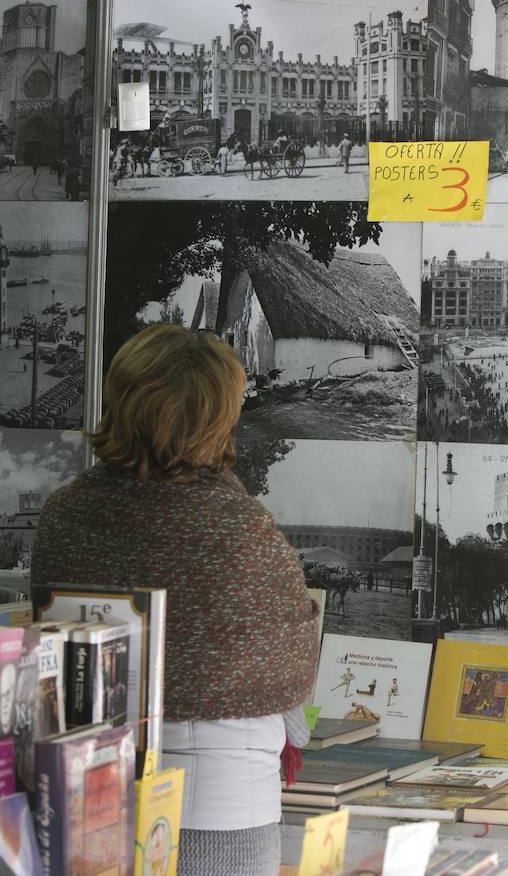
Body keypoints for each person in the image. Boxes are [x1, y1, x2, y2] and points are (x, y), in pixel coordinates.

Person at [30, 325, 319, 876]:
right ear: (219, 417)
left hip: (86, 795)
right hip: (217, 810)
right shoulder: (241, 529)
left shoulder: (64, 517)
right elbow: (289, 674)